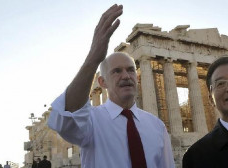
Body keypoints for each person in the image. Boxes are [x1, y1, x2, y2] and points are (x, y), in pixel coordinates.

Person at [47, 4, 175, 168]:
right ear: (102, 82)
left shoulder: (157, 126)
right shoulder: (90, 121)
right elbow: (65, 118)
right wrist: (94, 57)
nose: (126, 76)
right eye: (116, 71)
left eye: (130, 70)